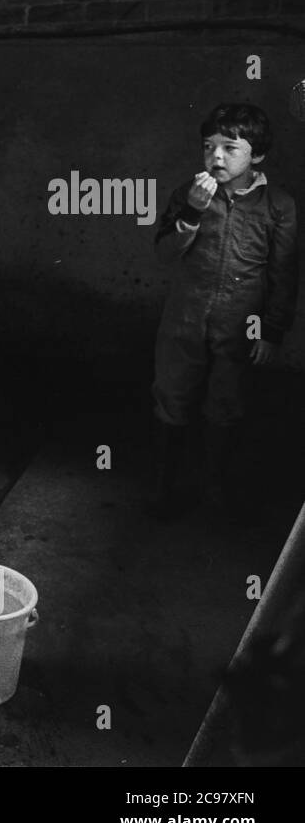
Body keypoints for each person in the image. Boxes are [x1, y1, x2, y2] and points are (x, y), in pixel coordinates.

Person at [148, 103, 299, 518]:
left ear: (258, 155)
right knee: (172, 395)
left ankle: (214, 488)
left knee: (226, 402)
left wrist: (272, 331)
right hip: (184, 317)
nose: (216, 157)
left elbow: (283, 275)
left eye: (230, 148)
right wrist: (193, 212)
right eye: (208, 146)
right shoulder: (189, 194)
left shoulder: (279, 206)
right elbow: (164, 252)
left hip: (240, 326)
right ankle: (163, 490)